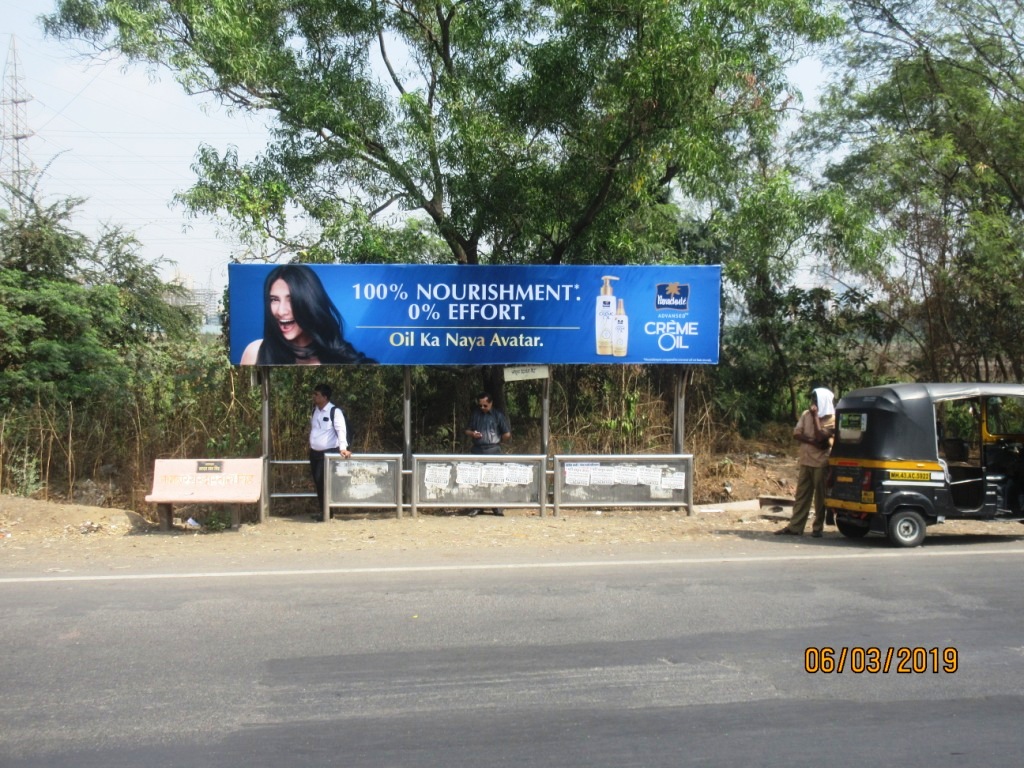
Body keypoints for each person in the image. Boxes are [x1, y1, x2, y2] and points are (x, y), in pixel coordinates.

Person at [240, 264, 373, 365]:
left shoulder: (344, 359)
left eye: (291, 299)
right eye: (274, 300)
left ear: (310, 302)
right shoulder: (255, 353)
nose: (281, 311)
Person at [776, 387, 836, 538]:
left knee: (820, 498)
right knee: (802, 495)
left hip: (821, 462)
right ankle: (795, 527)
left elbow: (821, 437)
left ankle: (817, 528)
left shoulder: (832, 419)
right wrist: (813, 442)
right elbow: (797, 434)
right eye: (812, 399)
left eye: (816, 400)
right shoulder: (805, 414)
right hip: (806, 460)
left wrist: (816, 417)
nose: (813, 403)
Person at [464, 391, 511, 517]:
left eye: (485, 405)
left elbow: (507, 433)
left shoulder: (498, 415)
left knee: (494, 479)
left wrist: (499, 440)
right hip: (478, 449)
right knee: (477, 479)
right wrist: (472, 434)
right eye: (480, 405)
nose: (482, 408)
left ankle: (496, 506)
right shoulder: (475, 414)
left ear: (491, 404)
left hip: (493, 450)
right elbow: (467, 430)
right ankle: (477, 506)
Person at [309, 383, 351, 520]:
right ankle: (324, 511)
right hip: (314, 452)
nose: (314, 397)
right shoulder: (314, 410)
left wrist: (343, 448)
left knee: (324, 482)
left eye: (317, 395)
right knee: (317, 482)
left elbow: (341, 430)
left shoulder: (335, 411)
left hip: (327, 454)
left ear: (325, 397)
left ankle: (328, 512)